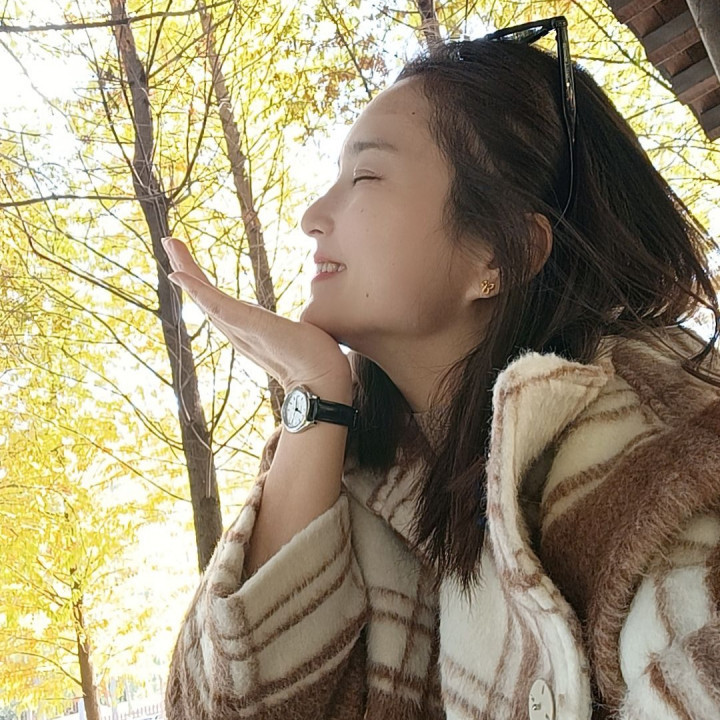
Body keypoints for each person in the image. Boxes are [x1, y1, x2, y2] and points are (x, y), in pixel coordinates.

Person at [162, 16, 720, 720]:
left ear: (500, 254)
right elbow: (215, 704)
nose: (311, 215)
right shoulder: (359, 462)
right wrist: (314, 401)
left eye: (366, 174)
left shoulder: (660, 458)